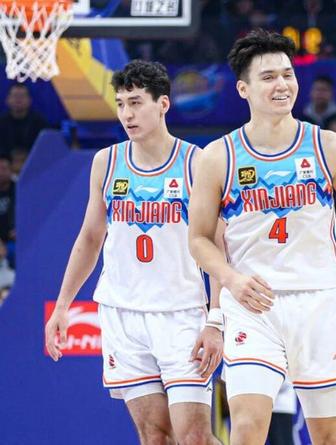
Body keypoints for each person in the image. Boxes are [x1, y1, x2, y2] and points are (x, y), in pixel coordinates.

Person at [187, 29, 336, 445]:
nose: (282, 84)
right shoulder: (219, 156)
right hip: (252, 304)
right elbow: (199, 239)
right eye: (268, 77)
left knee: (331, 433)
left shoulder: (328, 145)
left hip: (318, 300)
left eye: (287, 74)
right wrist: (231, 279)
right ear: (243, 88)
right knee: (247, 428)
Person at [44, 60, 222, 445]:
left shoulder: (196, 162)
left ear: (163, 104)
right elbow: (90, 237)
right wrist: (62, 305)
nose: (127, 113)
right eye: (121, 104)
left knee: (195, 436)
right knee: (154, 435)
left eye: (137, 102)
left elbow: (219, 247)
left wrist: (216, 320)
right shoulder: (106, 162)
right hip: (122, 314)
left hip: (181, 314)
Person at [0, 83, 50, 156]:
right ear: (7, 100)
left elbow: (46, 147)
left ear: (30, 100)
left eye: (22, 96)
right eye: (15, 96)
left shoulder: (39, 123)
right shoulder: (1, 122)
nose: (18, 100)